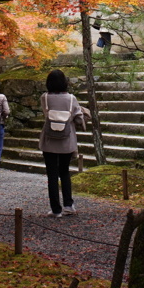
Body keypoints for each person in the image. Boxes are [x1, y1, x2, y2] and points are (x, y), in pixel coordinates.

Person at [38, 69, 85, 217]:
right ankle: (68, 205)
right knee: (64, 172)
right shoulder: (72, 99)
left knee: (52, 175)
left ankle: (56, 209)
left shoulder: (44, 98)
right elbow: (78, 119)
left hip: (49, 140)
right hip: (66, 140)